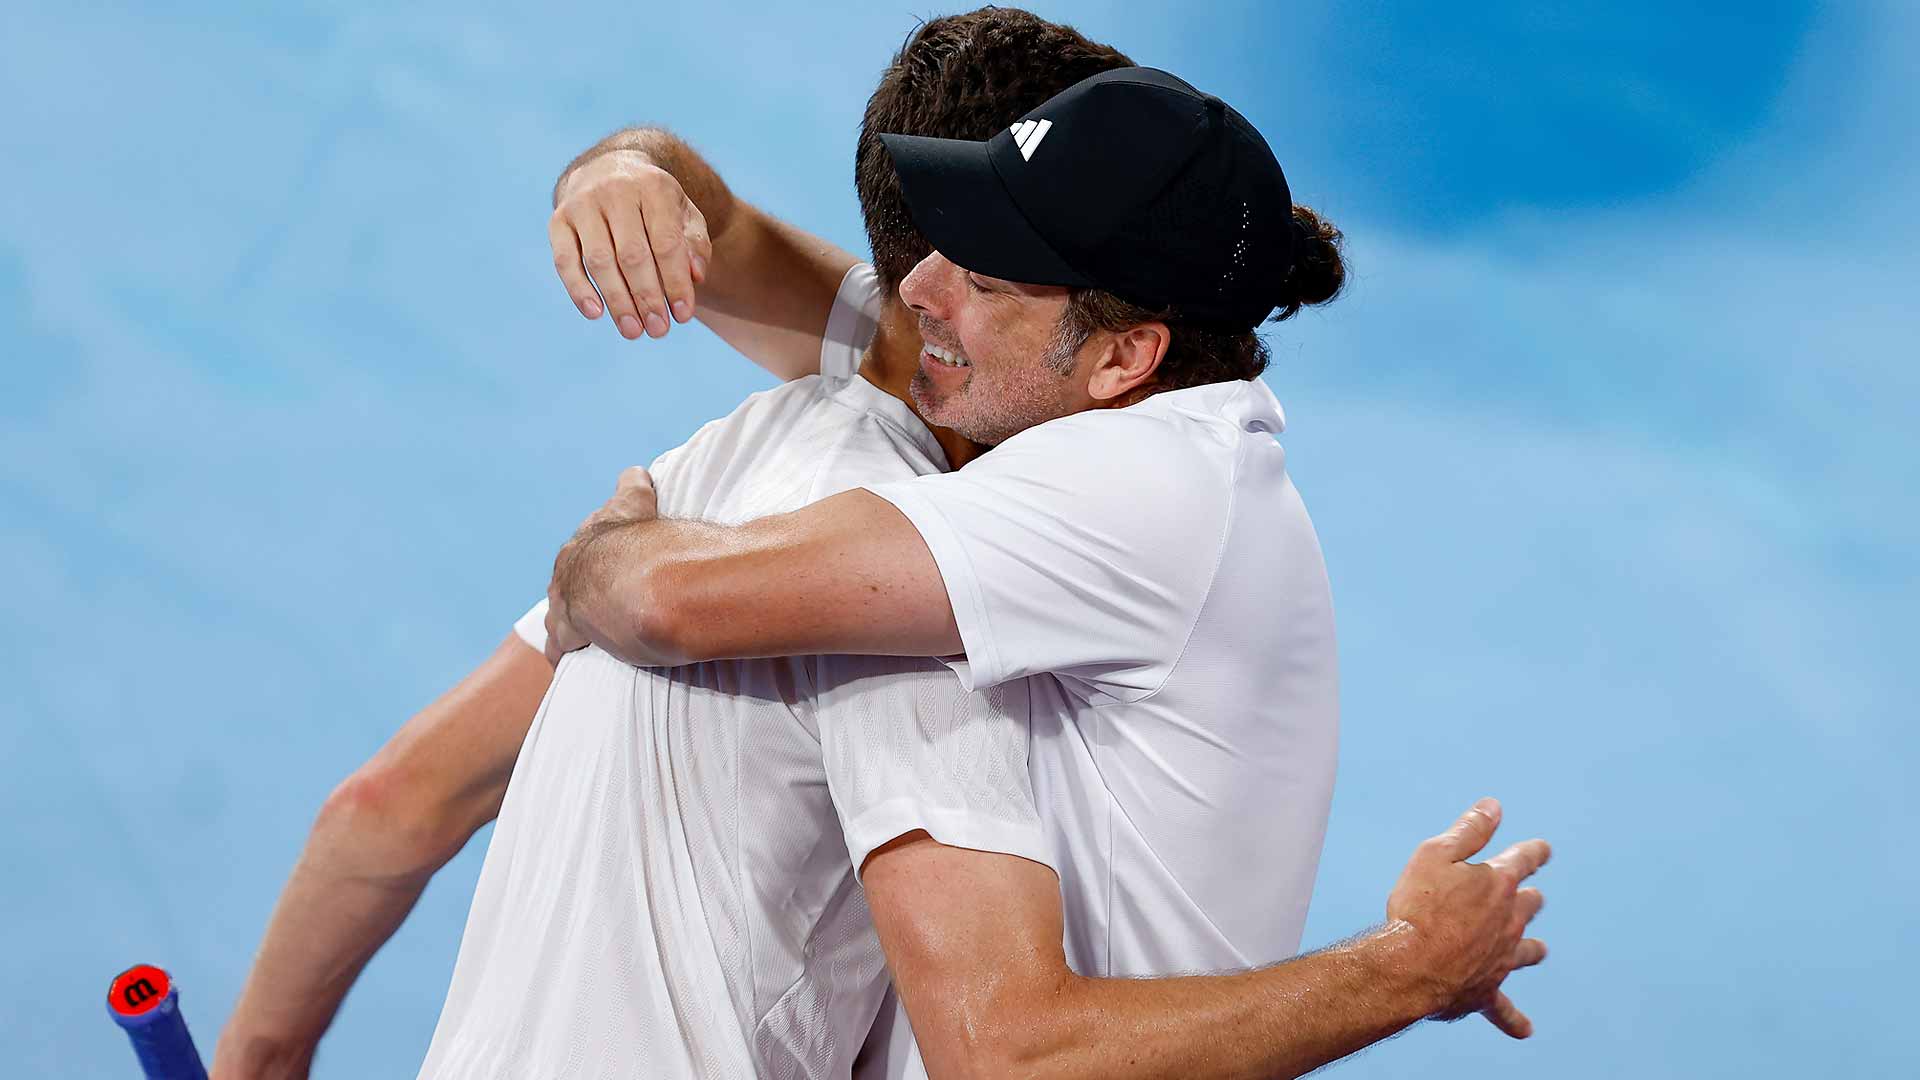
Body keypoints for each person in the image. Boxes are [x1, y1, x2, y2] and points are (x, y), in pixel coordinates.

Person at [211, 12, 1548, 1080]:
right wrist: (626, 172)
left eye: (988, 270)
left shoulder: (1004, 528)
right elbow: (783, 274)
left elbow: (569, 667)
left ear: (1124, 356)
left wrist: (1404, 970)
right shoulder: (1046, 425)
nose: (916, 291)